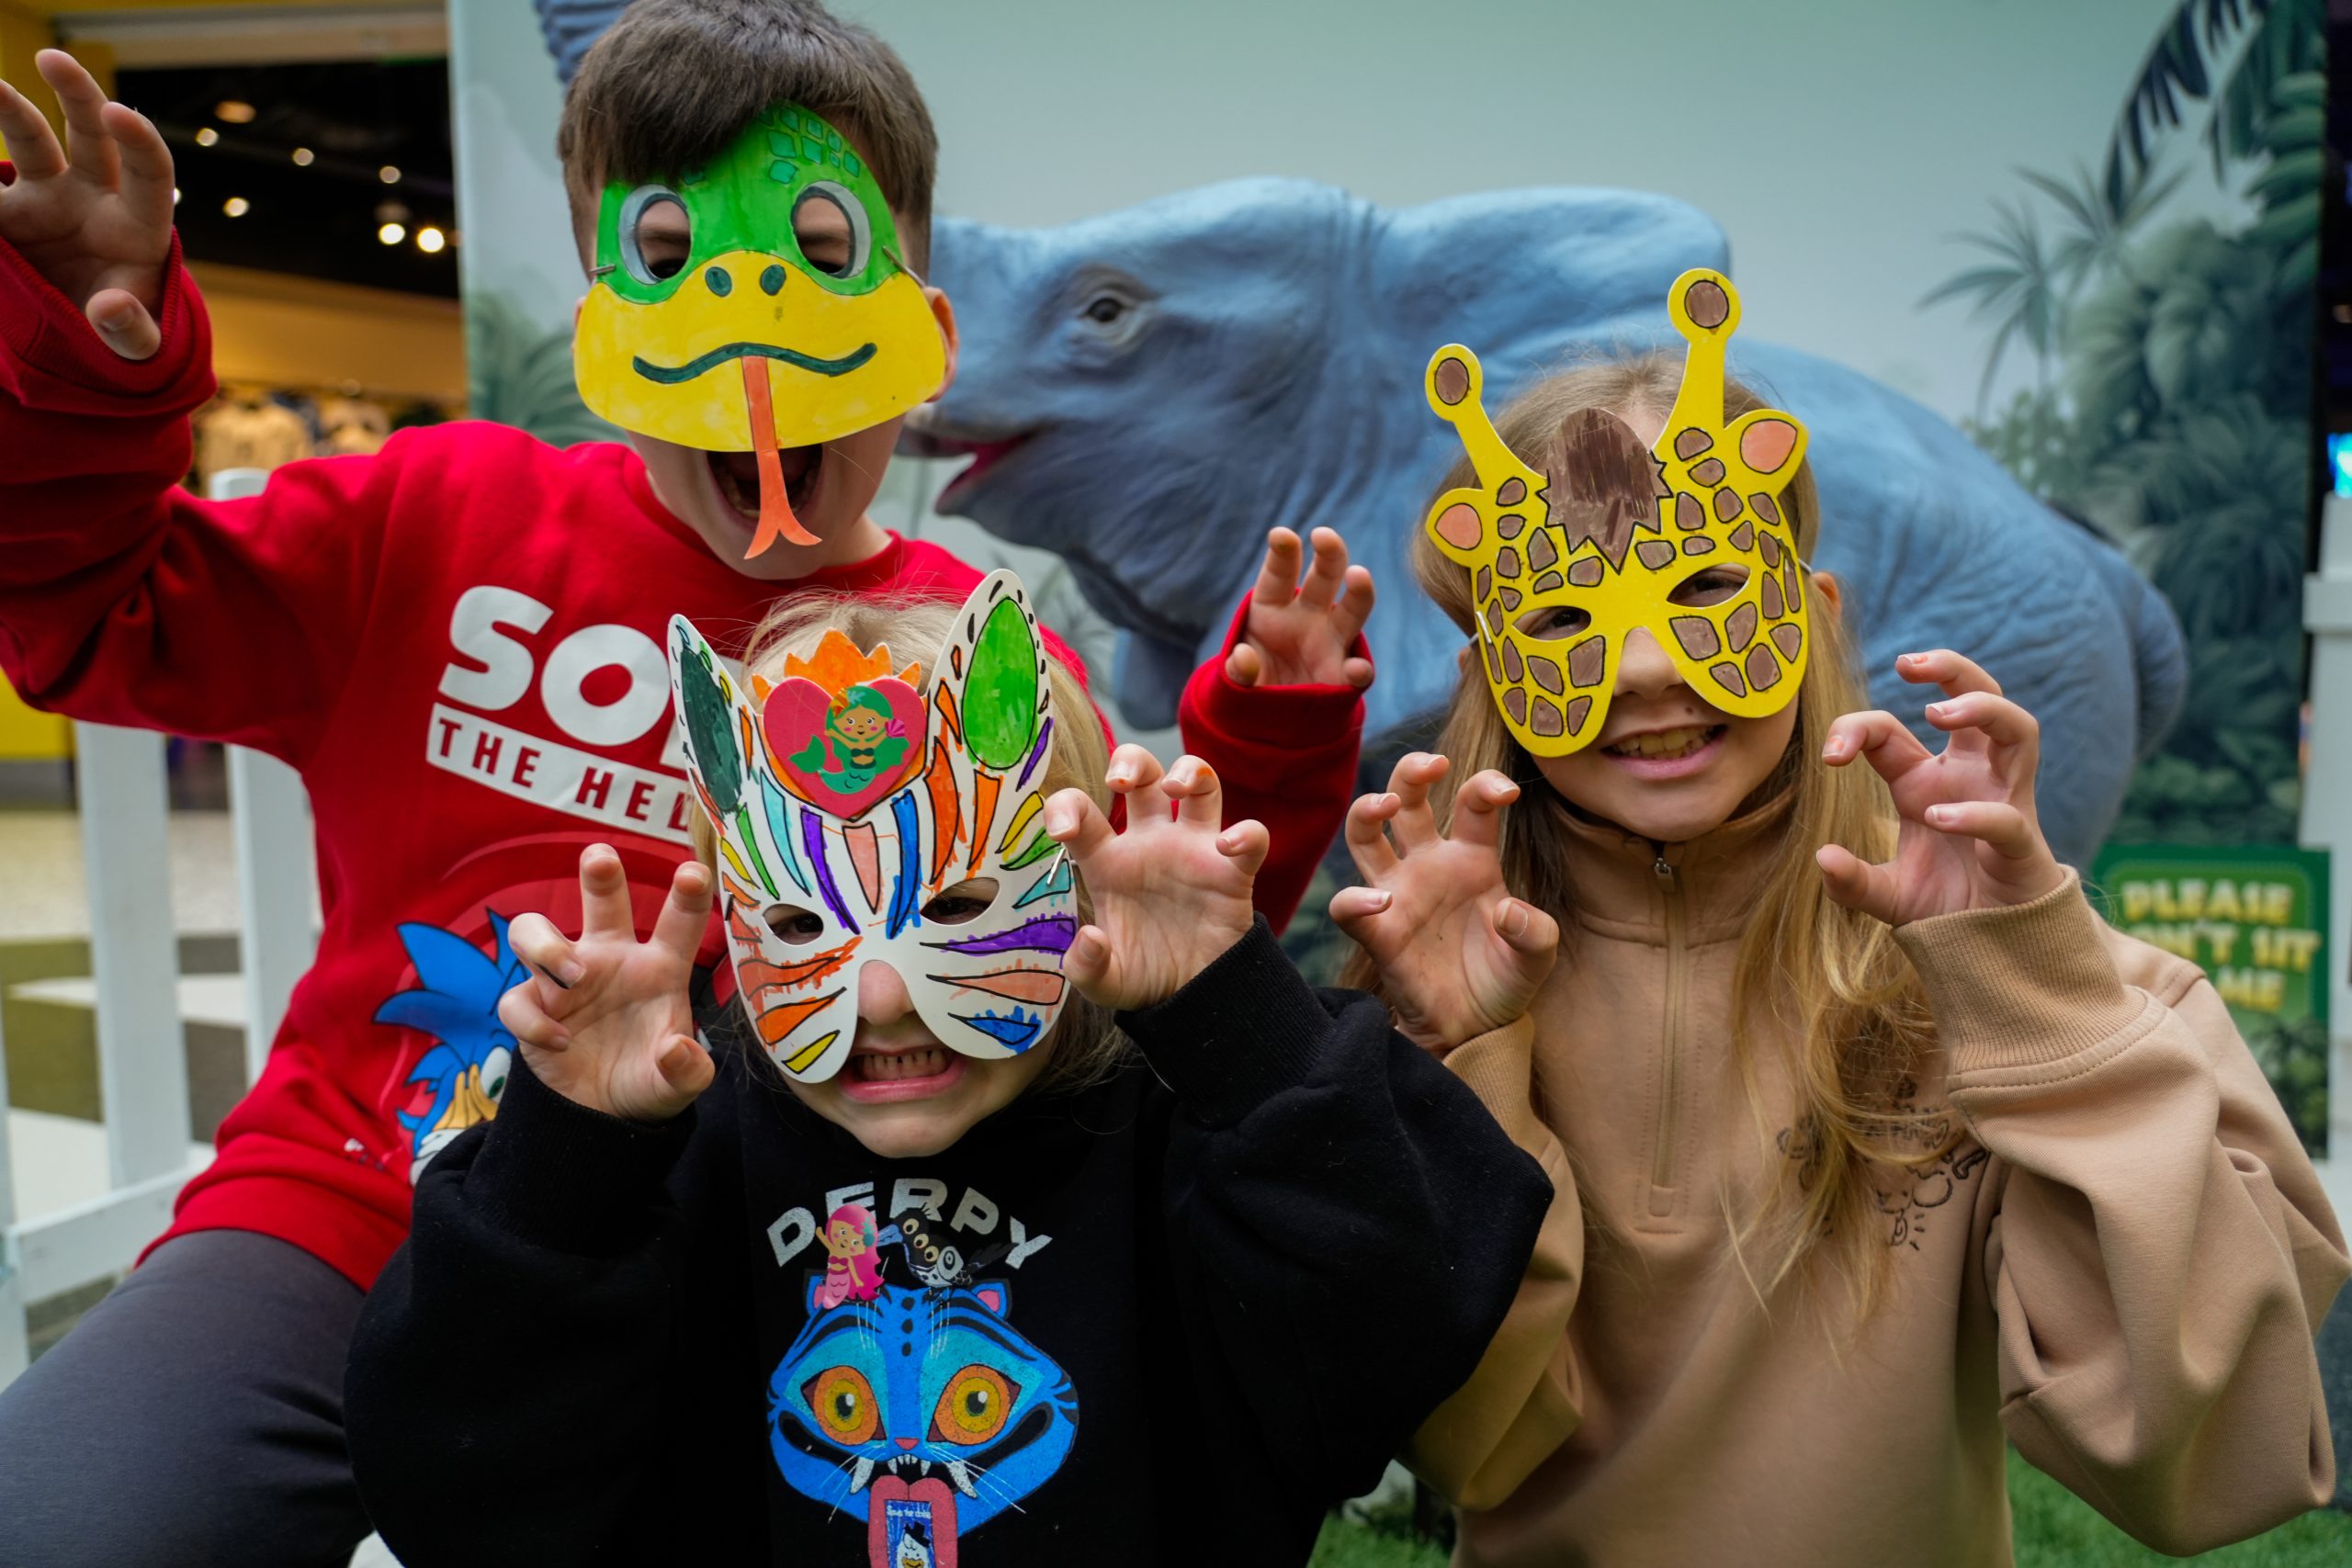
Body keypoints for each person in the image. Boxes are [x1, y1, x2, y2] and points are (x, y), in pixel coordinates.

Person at [0, 6, 1371, 1562]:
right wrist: (86, 362)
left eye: (816, 263)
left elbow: (1143, 913)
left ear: (922, 336)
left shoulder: (960, 643)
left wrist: (1269, 729)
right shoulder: (440, 517)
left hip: (777, 1258)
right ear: (603, 325)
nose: (756, 344)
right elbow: (99, 614)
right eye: (676, 265)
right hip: (348, 1207)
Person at [1345, 275, 2350, 1565]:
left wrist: (2032, 997)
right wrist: (1454, 1063)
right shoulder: (1457, 982)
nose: (1648, 668)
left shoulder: (2035, 976)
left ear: (1813, 621)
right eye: (1564, 621)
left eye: (1706, 587)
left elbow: (2225, 1460)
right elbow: (1468, 1440)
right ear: (1494, 672)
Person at [344, 583, 1551, 1568]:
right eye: (807, 925)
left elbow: (1404, 1317)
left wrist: (1231, 1022)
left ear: (1073, 886)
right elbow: (456, 1482)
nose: (879, 997)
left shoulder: (1185, 1139)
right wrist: (572, 1162)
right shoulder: (683, 1157)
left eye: (959, 907)